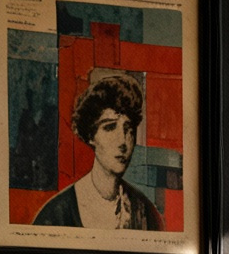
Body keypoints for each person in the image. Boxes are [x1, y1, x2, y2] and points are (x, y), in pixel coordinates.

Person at [32, 70, 161, 233]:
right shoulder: (56, 214)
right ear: (91, 135)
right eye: (110, 127)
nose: (123, 141)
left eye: (128, 129)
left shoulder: (146, 212)